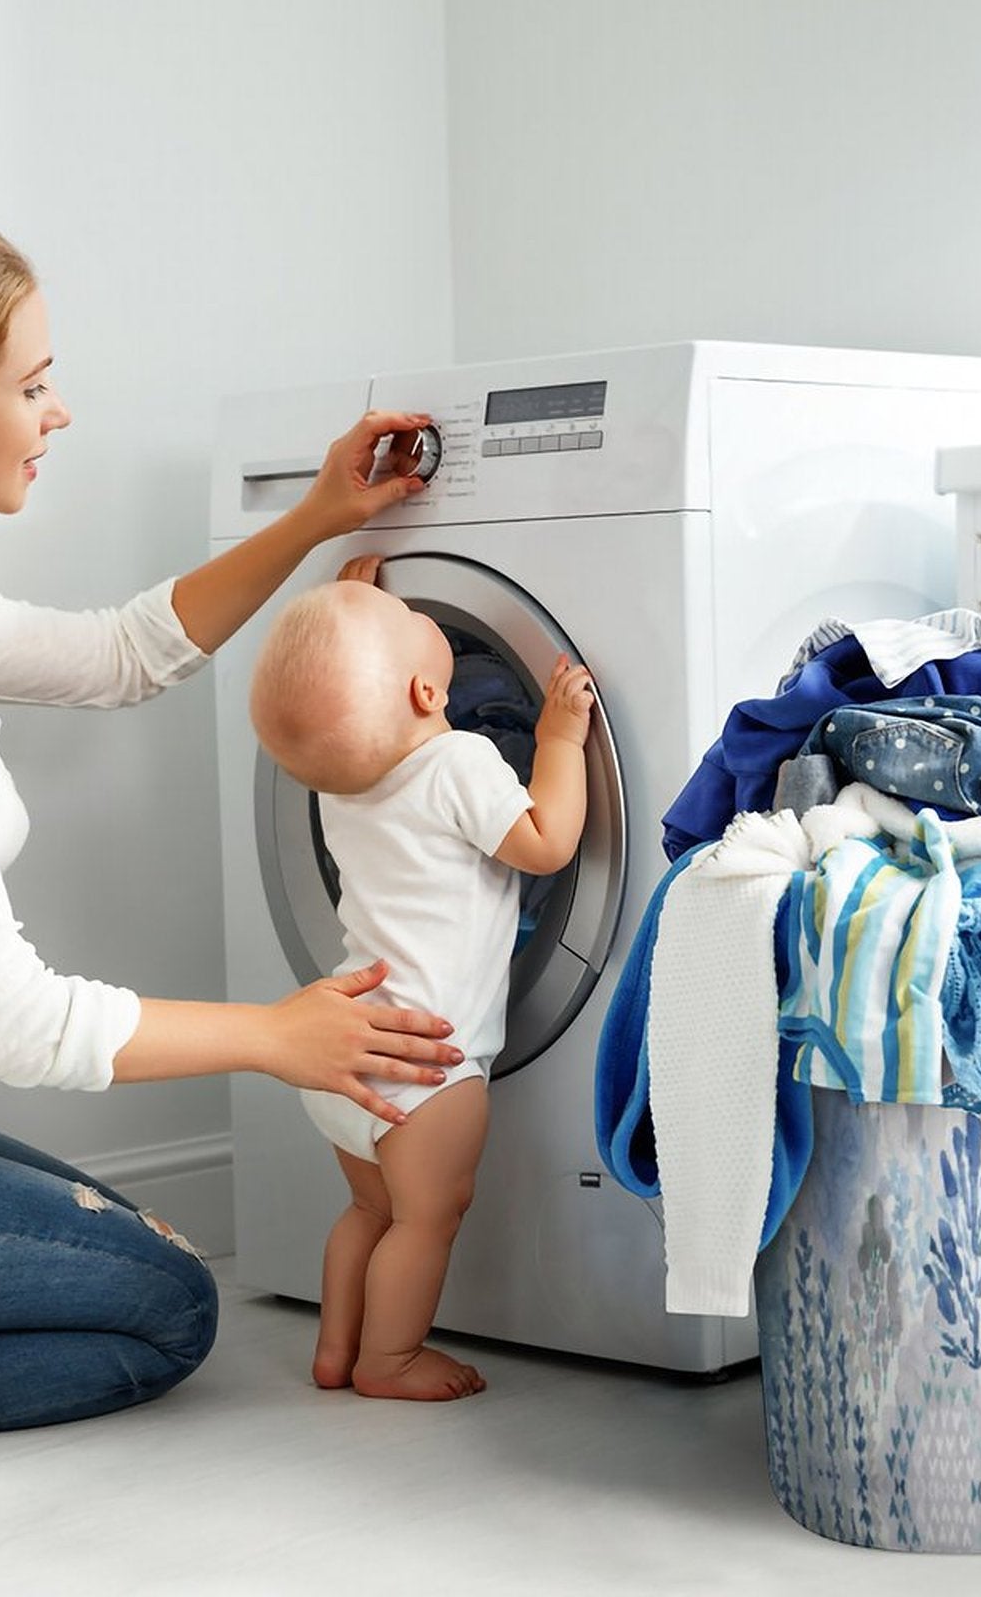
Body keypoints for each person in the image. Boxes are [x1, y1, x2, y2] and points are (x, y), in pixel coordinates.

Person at [0, 207, 466, 1446]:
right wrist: (277, 1035)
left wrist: (319, 514)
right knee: (164, 1308)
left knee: (121, 1240)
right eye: (32, 385)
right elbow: (8, 1019)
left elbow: (121, 654)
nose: (60, 414)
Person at [249, 566, 593, 1400]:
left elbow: (345, 709)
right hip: (428, 1065)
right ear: (429, 691)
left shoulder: (340, 780)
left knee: (369, 1213)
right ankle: (390, 1359)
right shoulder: (461, 760)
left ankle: (335, 1349)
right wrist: (555, 743)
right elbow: (545, 844)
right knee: (428, 1219)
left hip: (350, 1045)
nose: (411, 608)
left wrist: (348, 615)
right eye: (407, 614)